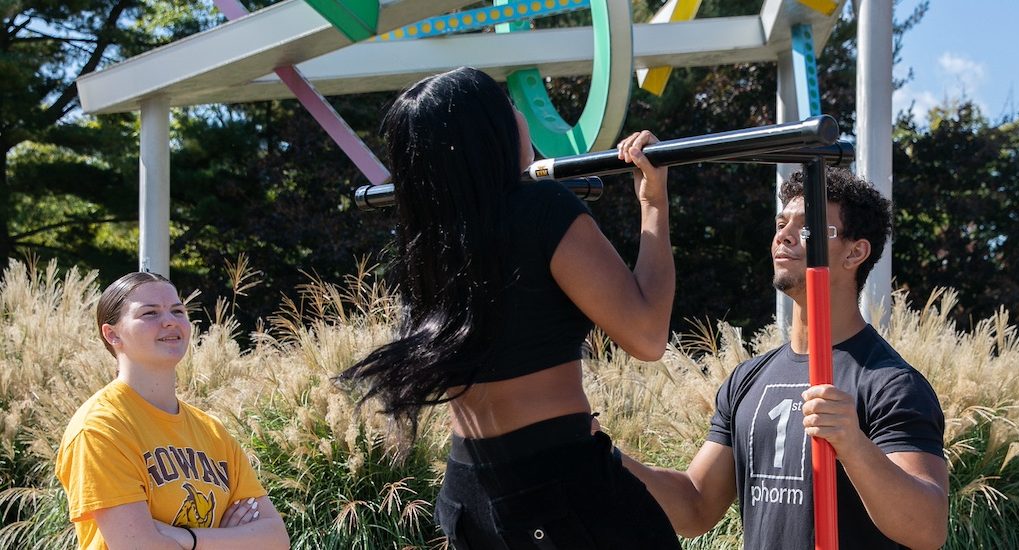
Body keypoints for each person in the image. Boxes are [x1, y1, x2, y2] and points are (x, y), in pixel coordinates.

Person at [337, 67, 680, 549]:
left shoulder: (427, 237)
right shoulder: (543, 210)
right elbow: (647, 335)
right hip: (558, 487)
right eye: (511, 108)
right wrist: (654, 205)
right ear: (488, 134)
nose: (522, 117)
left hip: (469, 493)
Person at [621, 168, 948, 549]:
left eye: (807, 228)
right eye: (782, 223)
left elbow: (927, 529)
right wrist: (603, 455)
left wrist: (853, 444)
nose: (784, 236)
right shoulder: (748, 379)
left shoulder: (890, 384)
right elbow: (695, 506)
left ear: (855, 252)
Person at [56, 271, 290, 550]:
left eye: (178, 311)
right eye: (150, 313)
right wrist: (229, 541)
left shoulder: (213, 431)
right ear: (112, 334)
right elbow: (141, 547)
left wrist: (185, 538)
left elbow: (276, 539)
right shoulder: (100, 428)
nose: (170, 321)